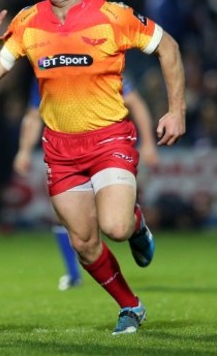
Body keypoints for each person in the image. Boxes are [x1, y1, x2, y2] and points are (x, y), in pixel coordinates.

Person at [0, 0, 185, 335]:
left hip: (109, 139)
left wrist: (176, 110)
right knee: (84, 244)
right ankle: (130, 305)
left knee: (116, 228)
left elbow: (168, 47)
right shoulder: (28, 20)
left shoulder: (113, 16)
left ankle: (137, 226)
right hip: (61, 149)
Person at [13, 76, 159, 292]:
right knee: (67, 216)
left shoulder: (98, 61)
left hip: (108, 147)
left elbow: (134, 102)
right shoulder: (46, 71)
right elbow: (34, 114)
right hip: (66, 153)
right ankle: (73, 275)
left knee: (112, 222)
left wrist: (148, 143)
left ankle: (135, 223)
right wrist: (24, 150)